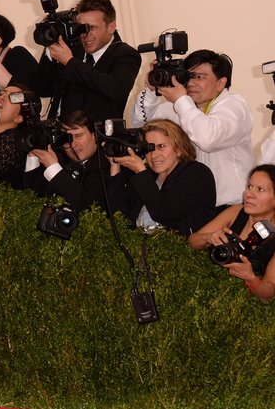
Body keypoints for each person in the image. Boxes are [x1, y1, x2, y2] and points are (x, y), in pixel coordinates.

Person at [131, 49, 253, 210]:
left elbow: (207, 139)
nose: (191, 83)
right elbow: (141, 123)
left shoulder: (234, 106)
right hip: (196, 207)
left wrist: (181, 100)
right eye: (188, 76)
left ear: (221, 83)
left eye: (200, 77)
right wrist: (152, 90)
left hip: (232, 207)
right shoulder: (184, 106)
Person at [36, 0, 140, 122]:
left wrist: (70, 62)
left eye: (93, 28)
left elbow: (116, 89)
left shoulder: (125, 54)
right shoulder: (72, 50)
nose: (86, 34)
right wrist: (50, 47)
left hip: (99, 138)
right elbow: (43, 89)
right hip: (60, 135)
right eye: (81, 28)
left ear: (111, 27)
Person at [105, 119, 216, 235]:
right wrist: (114, 166)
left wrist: (140, 172)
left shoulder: (196, 173)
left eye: (161, 146)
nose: (153, 155)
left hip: (179, 250)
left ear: (179, 148)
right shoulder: (149, 175)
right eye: (149, 149)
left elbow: (165, 213)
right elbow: (118, 216)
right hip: (139, 248)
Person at [189, 165, 275, 302]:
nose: (249, 194)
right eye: (249, 186)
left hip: (242, 307)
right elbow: (191, 241)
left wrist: (251, 278)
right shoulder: (236, 211)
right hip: (204, 291)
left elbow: (268, 292)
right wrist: (208, 237)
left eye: (260, 189)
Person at [26, 110, 111, 211]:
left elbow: (90, 206)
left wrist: (54, 169)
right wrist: (33, 156)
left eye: (78, 136)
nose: (73, 143)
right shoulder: (60, 159)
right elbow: (32, 199)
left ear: (94, 136)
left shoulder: (107, 163)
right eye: (66, 138)